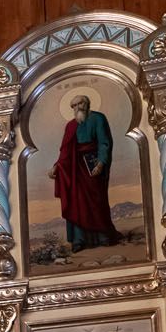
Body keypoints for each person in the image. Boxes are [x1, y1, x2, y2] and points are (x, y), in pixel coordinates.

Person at [51, 95, 121, 250]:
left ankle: (103, 236)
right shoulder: (70, 126)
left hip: (93, 164)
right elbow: (65, 151)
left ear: (87, 103)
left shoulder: (98, 118)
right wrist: (56, 166)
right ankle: (79, 240)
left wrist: (101, 163)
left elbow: (104, 142)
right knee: (76, 202)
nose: (77, 107)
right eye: (74, 105)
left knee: (97, 200)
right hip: (75, 169)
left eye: (80, 103)